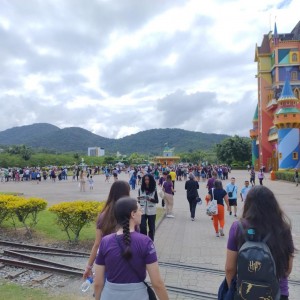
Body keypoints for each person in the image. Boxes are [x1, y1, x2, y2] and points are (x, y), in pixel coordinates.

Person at [225, 186, 295, 300]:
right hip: (277, 293)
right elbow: (287, 269)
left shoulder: (238, 227)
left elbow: (229, 269)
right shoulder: (283, 228)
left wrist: (232, 290)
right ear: (273, 205)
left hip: (244, 293)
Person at [94, 197, 169, 300]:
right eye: (139, 209)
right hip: (138, 295)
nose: (142, 213)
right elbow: (157, 283)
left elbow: (98, 283)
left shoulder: (105, 242)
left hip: (110, 295)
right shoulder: (145, 242)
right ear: (133, 214)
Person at [83, 180, 130, 279]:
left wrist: (89, 267)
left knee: (103, 291)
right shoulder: (131, 215)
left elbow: (97, 244)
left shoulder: (104, 216)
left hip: (107, 262)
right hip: (126, 263)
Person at [138, 174, 159, 241]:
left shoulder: (154, 190)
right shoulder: (140, 189)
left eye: (148, 179)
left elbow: (157, 201)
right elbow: (138, 200)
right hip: (142, 211)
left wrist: (150, 199)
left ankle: (150, 241)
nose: (146, 181)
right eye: (145, 180)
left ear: (151, 180)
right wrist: (139, 199)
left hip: (151, 211)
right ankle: (144, 241)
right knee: (142, 227)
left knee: (151, 227)